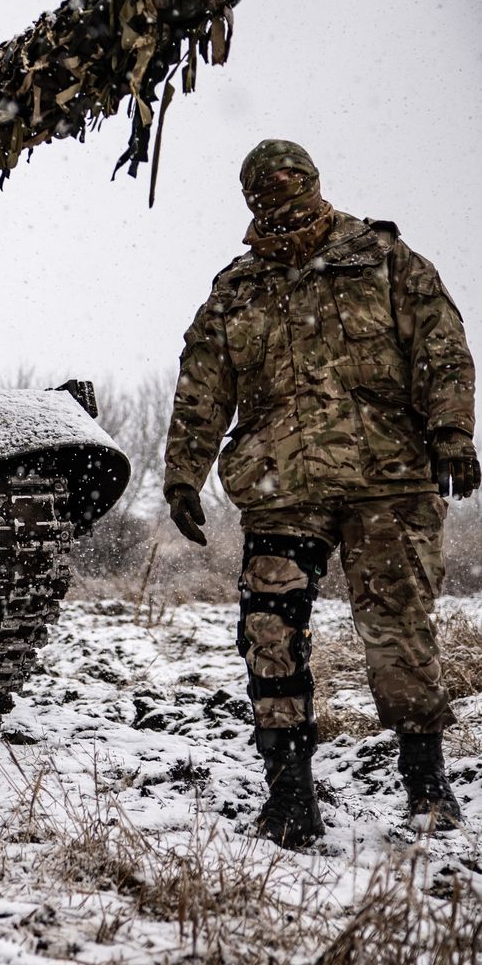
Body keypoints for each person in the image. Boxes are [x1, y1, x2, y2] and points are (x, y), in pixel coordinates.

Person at [163, 139, 478, 848]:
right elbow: (201, 387)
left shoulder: (387, 260)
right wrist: (183, 471)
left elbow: (442, 348)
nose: (280, 195)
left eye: (289, 181)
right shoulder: (236, 290)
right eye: (265, 187)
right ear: (250, 200)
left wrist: (453, 433)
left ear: (313, 181)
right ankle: (289, 794)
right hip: (283, 485)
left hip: (388, 479)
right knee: (269, 629)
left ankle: (427, 785)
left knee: (398, 629)